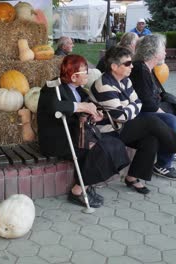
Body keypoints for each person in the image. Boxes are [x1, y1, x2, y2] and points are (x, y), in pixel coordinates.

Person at [91, 46, 176, 194]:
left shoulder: (124, 80)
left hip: (120, 126)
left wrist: (130, 109)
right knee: (152, 122)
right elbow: (121, 116)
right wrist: (131, 108)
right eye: (127, 63)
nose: (131, 66)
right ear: (114, 66)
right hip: (107, 131)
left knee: (151, 137)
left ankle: (132, 177)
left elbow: (137, 103)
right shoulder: (104, 85)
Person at [37, 54, 130, 208]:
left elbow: (85, 107)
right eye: (85, 72)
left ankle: (86, 185)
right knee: (102, 150)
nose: (88, 73)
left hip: (76, 136)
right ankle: (77, 191)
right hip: (57, 140)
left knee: (114, 144)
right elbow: (56, 107)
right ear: (74, 76)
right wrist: (82, 107)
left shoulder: (78, 89)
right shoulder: (52, 88)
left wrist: (94, 114)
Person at [130, 34, 176, 181]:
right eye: (163, 48)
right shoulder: (139, 69)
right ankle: (163, 164)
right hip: (139, 114)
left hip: (149, 109)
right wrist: (170, 116)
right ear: (154, 51)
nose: (165, 52)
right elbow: (147, 103)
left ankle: (172, 148)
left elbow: (157, 95)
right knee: (173, 121)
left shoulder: (148, 68)